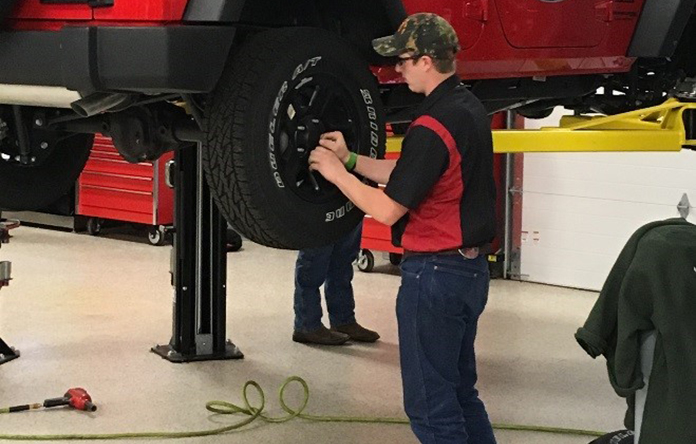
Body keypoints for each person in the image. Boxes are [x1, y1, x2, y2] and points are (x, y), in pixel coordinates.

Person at [308, 13, 497, 444]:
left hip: (434, 277)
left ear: (428, 61)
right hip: (469, 274)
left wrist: (338, 175)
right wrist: (353, 159)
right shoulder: (466, 109)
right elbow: (413, 173)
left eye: (405, 60)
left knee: (431, 408)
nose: (398, 69)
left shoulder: (432, 125)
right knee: (462, 394)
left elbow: (388, 209)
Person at [292, 222, 380, 345]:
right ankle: (307, 325)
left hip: (351, 208)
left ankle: (343, 321)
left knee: (342, 262)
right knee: (313, 263)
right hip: (319, 209)